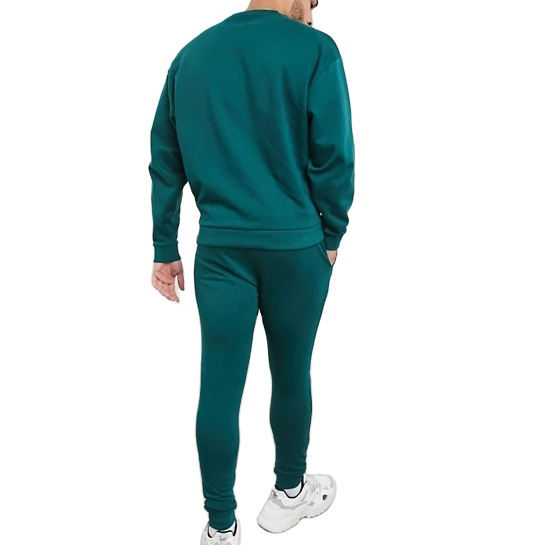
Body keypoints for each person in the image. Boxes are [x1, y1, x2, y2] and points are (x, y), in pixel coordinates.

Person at [148, 0, 355, 543]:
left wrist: (164, 244)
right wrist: (333, 233)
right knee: (292, 371)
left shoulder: (191, 56)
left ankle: (220, 527)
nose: (315, 9)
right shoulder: (316, 51)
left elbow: (165, 158)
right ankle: (289, 493)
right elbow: (333, 153)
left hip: (220, 251)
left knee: (218, 385)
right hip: (296, 248)